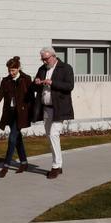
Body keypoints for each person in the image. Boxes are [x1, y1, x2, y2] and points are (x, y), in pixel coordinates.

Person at [0, 56, 34, 178]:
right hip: (10, 113)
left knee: (12, 139)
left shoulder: (26, 79)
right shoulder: (5, 81)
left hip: (21, 114)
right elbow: (0, 95)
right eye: (9, 70)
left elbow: (31, 98)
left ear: (18, 68)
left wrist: (33, 112)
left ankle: (5, 166)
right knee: (17, 139)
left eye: (13, 70)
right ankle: (24, 163)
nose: (11, 73)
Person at [32, 47, 74, 179]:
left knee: (54, 134)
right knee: (50, 136)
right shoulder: (42, 69)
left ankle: (56, 166)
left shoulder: (65, 68)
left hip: (59, 108)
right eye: (42, 59)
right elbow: (34, 86)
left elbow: (69, 86)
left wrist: (53, 83)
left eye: (46, 59)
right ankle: (59, 165)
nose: (44, 61)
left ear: (53, 56)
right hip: (46, 108)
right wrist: (37, 82)